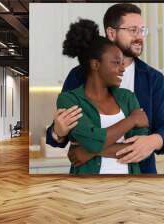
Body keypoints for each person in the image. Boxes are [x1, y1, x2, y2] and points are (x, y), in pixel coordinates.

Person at [46, 3, 164, 174]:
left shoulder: (154, 79)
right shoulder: (79, 76)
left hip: (141, 177)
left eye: (142, 30)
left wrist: (154, 140)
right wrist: (58, 132)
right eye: (133, 30)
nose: (140, 37)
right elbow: (66, 132)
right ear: (112, 33)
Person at [58, 18, 149, 174]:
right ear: (96, 65)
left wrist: (86, 151)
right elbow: (93, 142)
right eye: (115, 63)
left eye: (122, 63)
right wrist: (132, 120)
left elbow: (139, 149)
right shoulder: (69, 100)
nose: (122, 69)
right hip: (88, 190)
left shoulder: (128, 97)